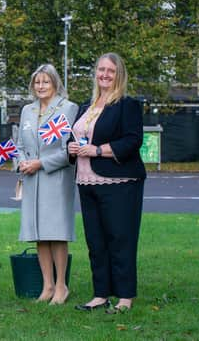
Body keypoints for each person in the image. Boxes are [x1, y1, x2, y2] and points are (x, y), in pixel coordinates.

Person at [67, 52, 146, 313]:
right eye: (101, 69)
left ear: (119, 74)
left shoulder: (127, 104)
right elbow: (76, 138)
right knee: (96, 241)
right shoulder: (86, 106)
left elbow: (133, 140)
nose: (104, 75)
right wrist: (72, 148)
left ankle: (124, 297)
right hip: (86, 181)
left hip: (119, 181)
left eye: (110, 71)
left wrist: (98, 150)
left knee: (120, 238)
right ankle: (100, 294)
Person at [15, 64, 78, 305]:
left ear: (55, 83)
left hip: (55, 178)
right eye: (37, 82)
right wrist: (22, 162)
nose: (41, 87)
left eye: (46, 82)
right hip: (32, 179)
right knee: (39, 234)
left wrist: (40, 163)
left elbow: (68, 151)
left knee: (56, 232)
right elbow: (20, 144)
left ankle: (62, 286)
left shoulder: (68, 108)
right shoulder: (27, 110)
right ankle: (47, 286)